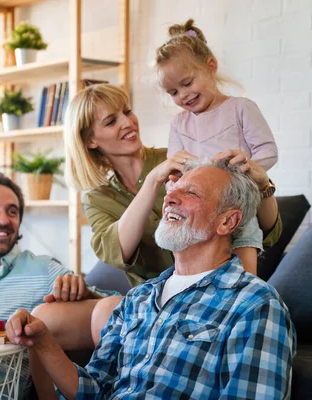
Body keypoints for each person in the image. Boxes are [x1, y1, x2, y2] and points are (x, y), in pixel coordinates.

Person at [29, 82, 282, 399]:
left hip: (208, 288)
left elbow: (250, 216)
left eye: (126, 112)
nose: (127, 122)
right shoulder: (100, 196)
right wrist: (152, 183)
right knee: (43, 318)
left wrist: (262, 182)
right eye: (111, 121)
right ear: (90, 140)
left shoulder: (180, 159)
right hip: (150, 293)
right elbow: (114, 251)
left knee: (108, 309)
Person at [7, 159, 296, 399]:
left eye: (191, 193)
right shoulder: (139, 298)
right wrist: (42, 339)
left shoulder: (255, 305)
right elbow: (93, 390)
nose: (169, 198)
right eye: (172, 190)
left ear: (227, 221)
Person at [0, 171, 116, 396]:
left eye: (12, 211)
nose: (4, 220)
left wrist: (84, 291)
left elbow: (119, 307)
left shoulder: (43, 270)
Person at [156, 19, 278, 274]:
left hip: (239, 208)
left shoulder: (241, 108)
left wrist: (247, 163)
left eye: (187, 83)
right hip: (197, 218)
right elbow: (172, 174)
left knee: (243, 280)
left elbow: (268, 151)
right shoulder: (179, 124)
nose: (183, 96)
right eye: (173, 92)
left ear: (210, 67)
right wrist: (176, 181)